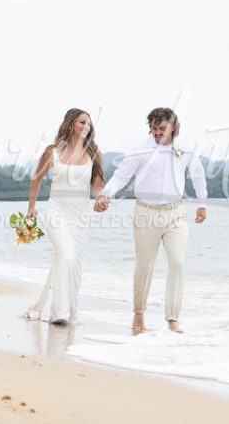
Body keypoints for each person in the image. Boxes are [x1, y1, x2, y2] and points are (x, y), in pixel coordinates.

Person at [94, 107, 207, 335]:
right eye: (154, 128)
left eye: (162, 128)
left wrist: (202, 203)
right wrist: (105, 194)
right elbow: (121, 176)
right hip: (146, 212)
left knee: (178, 263)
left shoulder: (185, 148)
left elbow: (197, 174)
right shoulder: (140, 150)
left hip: (175, 212)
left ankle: (173, 318)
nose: (157, 132)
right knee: (144, 266)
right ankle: (139, 313)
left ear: (173, 127)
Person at [23, 108, 105, 324]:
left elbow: (97, 186)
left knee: (74, 264)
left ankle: (70, 310)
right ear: (70, 124)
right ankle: (58, 313)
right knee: (66, 255)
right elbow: (35, 179)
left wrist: (100, 199)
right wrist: (31, 208)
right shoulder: (52, 152)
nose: (86, 126)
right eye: (82, 122)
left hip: (81, 217)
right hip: (56, 211)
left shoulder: (94, 153)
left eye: (88, 123)